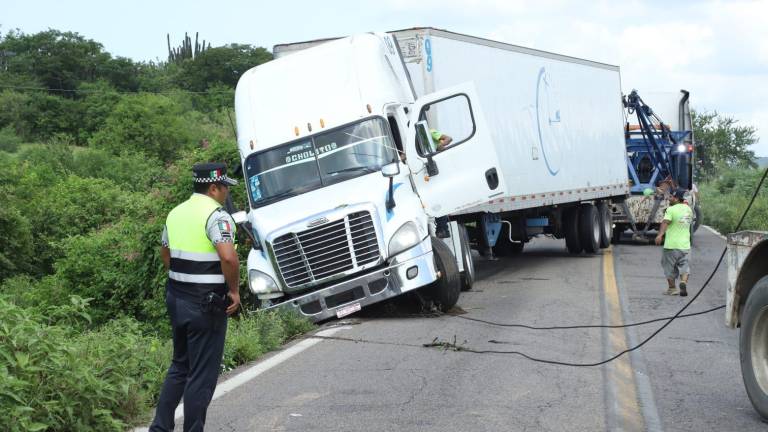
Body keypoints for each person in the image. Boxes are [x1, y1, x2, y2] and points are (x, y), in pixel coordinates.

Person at [150, 162, 241, 432]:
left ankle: (159, 428)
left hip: (176, 298)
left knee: (180, 366)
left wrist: (185, 279)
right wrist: (234, 291)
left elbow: (165, 253)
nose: (226, 192)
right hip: (205, 304)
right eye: (224, 187)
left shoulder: (176, 213)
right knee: (201, 376)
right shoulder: (216, 216)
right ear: (213, 188)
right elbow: (228, 257)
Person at [655, 188, 693, 297]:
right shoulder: (689, 209)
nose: (669, 199)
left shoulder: (671, 209)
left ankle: (672, 289)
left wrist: (660, 235)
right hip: (685, 245)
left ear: (676, 198)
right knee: (685, 266)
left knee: (669, 267)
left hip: (671, 245)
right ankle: (683, 282)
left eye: (671, 197)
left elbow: (665, 222)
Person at [430, 129, 453, 238]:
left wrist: (439, 146)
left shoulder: (429, 132)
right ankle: (442, 228)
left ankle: (443, 229)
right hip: (430, 170)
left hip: (437, 169)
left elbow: (448, 138)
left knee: (438, 200)